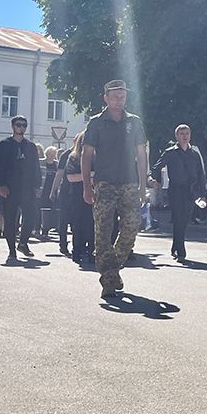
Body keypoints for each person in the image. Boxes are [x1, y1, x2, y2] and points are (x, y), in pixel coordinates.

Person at [81, 80, 148, 298]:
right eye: (115, 96)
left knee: (131, 227)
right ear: (106, 98)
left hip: (129, 182)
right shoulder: (97, 122)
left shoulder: (134, 122)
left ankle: (111, 270)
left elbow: (141, 154)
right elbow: (86, 154)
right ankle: (109, 282)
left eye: (122, 96)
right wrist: (86, 187)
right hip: (105, 183)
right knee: (102, 233)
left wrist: (142, 185)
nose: (119, 100)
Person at [151, 125, 206, 263]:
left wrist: (202, 193)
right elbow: (157, 167)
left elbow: (200, 174)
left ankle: (176, 245)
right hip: (176, 189)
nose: (185, 136)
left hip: (191, 190)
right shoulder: (170, 152)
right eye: (181, 134)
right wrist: (153, 180)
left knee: (185, 220)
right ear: (177, 136)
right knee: (178, 218)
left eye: (187, 133)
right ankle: (181, 250)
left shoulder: (194, 153)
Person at [0, 116, 42, 261]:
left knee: (31, 216)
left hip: (27, 187)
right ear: (13, 127)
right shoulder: (3, 145)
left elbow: (36, 166)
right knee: (10, 219)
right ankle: (11, 250)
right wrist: (1, 185)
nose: (21, 128)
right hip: (10, 187)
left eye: (24, 125)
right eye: (18, 125)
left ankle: (23, 242)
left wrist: (37, 185)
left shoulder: (30, 146)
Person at [55, 132, 93, 262]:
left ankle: (91, 251)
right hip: (76, 195)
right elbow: (70, 177)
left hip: (94, 195)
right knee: (77, 224)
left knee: (91, 224)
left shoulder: (96, 157)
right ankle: (76, 250)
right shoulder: (72, 157)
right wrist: (90, 175)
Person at [39, 146, 60, 240]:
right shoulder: (41, 162)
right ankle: (37, 228)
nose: (52, 156)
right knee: (40, 209)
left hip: (53, 190)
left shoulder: (57, 164)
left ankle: (46, 230)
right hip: (42, 189)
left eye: (53, 154)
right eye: (50, 154)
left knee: (49, 210)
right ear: (46, 154)